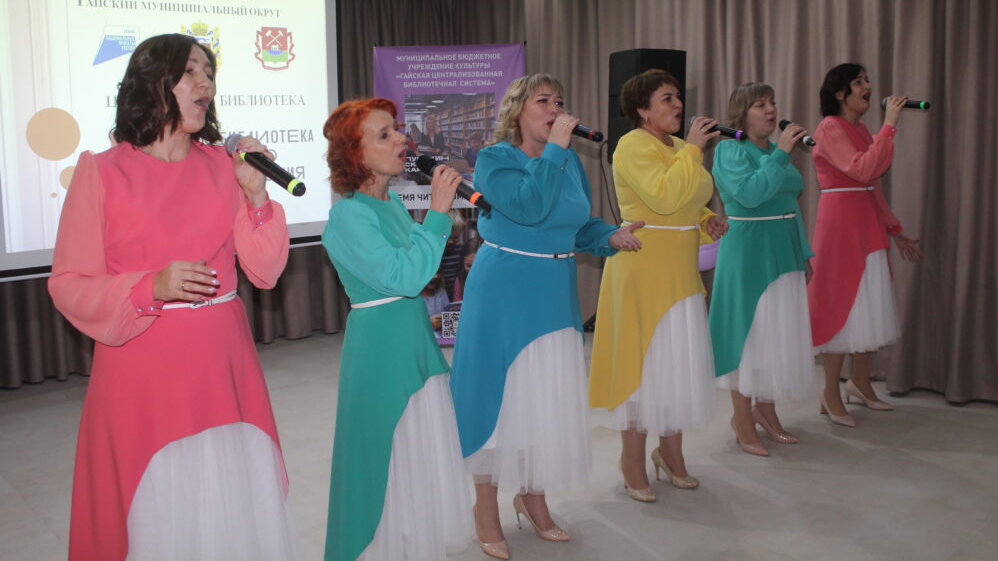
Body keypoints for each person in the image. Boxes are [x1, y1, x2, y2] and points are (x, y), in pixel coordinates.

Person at [48, 33, 297, 560]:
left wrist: (256, 195)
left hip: (223, 363)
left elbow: (265, 271)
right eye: (190, 71)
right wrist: (150, 287)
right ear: (152, 82)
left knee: (228, 506)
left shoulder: (225, 166)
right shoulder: (102, 171)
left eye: (209, 73)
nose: (206, 83)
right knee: (155, 512)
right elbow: (69, 282)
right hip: (142, 370)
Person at [450, 74, 642, 559]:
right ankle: (485, 507)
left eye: (560, 100)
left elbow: (574, 224)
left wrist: (608, 236)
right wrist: (555, 149)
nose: (556, 109)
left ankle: (533, 497)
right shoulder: (495, 159)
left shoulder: (569, 161)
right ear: (517, 110)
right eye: (543, 101)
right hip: (505, 292)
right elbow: (529, 207)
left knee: (541, 400)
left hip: (555, 294)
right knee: (496, 400)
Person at [321, 97, 471, 561]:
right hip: (381, 350)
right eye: (384, 134)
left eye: (397, 128)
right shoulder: (349, 215)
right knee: (379, 461)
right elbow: (406, 277)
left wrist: (431, 229)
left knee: (415, 461)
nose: (401, 138)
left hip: (412, 340)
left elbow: (421, 273)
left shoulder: (391, 204)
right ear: (355, 153)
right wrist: (439, 212)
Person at [589, 69, 726, 503]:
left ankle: (670, 453)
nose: (678, 104)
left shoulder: (681, 148)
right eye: (667, 98)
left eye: (677, 96)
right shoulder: (632, 145)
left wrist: (706, 220)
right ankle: (631, 460)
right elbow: (664, 196)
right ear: (643, 110)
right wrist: (695, 149)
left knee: (675, 367)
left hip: (680, 274)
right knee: (643, 369)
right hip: (644, 271)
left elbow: (689, 201)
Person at [808, 64, 923, 427]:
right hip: (841, 227)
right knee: (840, 307)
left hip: (866, 224)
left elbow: (872, 184)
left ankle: (859, 383)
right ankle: (829, 392)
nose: (867, 87)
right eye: (858, 82)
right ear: (840, 93)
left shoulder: (859, 129)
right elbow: (862, 169)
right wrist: (888, 126)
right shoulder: (829, 127)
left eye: (867, 80)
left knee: (867, 307)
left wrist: (895, 229)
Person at [708, 82, 816, 456]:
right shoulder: (729, 150)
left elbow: (790, 203)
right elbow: (751, 195)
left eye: (772, 102)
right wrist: (782, 153)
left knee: (775, 337)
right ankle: (741, 418)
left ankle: (767, 412)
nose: (770, 110)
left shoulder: (772, 150)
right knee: (749, 336)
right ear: (742, 113)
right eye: (760, 104)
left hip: (784, 249)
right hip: (749, 251)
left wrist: (803, 252)